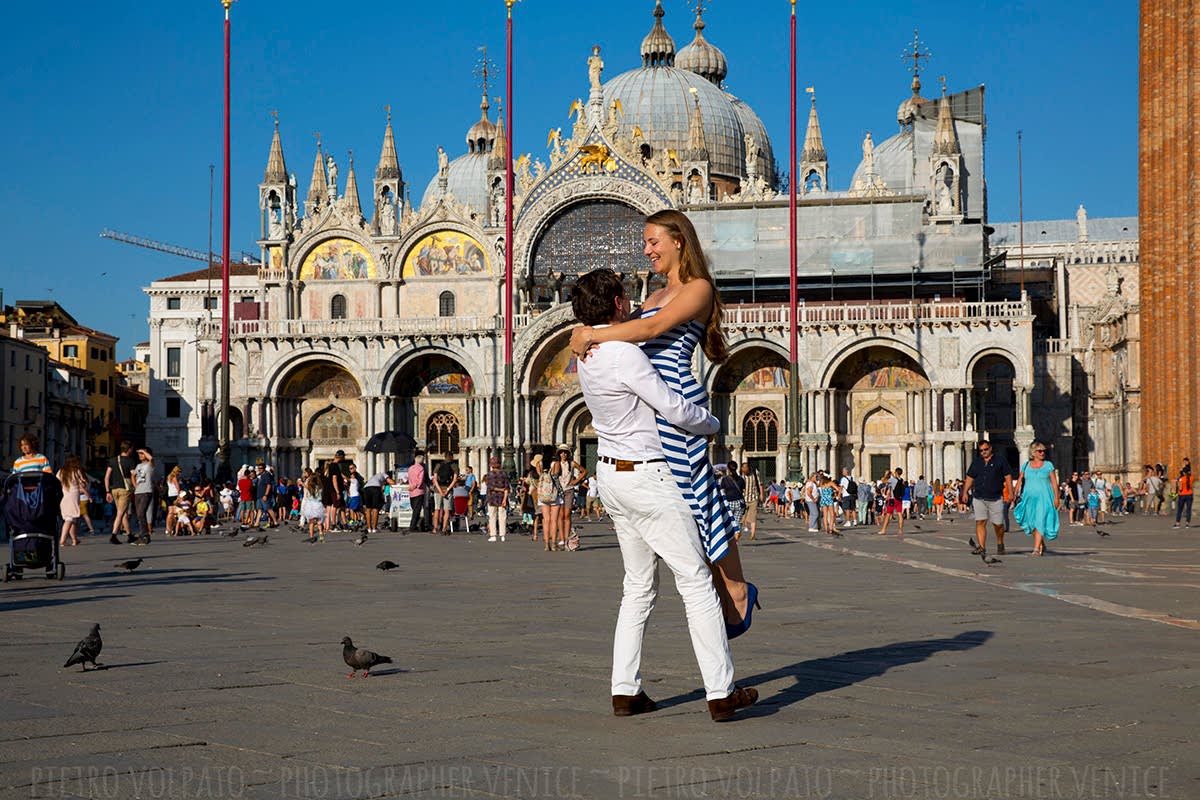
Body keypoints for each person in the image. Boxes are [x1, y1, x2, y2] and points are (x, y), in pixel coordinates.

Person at [572, 267, 756, 722]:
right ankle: (720, 692)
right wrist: (712, 425)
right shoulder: (625, 355)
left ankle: (625, 690)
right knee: (695, 581)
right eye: (625, 300)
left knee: (637, 587)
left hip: (611, 478)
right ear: (617, 304)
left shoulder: (588, 356)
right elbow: (671, 406)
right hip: (648, 479)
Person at [1013, 441, 1061, 556]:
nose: (1042, 453)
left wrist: (1056, 498)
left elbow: (1054, 483)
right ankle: (1041, 544)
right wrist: (1015, 493)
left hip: (1044, 498)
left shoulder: (1048, 465)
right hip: (1028, 498)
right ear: (1033, 453)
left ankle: (1035, 549)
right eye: (1040, 451)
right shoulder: (1026, 465)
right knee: (1031, 523)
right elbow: (1020, 479)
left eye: (1044, 451)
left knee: (1039, 520)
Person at [104, 440, 138, 545]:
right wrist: (136, 487)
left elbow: (106, 477)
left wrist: (107, 491)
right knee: (120, 513)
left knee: (122, 513)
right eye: (131, 449)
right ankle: (114, 535)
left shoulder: (113, 460)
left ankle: (130, 535)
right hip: (125, 490)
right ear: (129, 449)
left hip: (114, 489)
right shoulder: (131, 461)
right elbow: (133, 476)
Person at [56, 455, 87, 547]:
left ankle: (74, 539)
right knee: (70, 519)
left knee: (70, 518)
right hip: (73, 495)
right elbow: (83, 483)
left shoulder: (61, 471)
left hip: (63, 496)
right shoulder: (76, 471)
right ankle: (62, 539)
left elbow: (56, 482)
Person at [536, 455, 563, 551]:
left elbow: (539, 476)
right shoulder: (556, 463)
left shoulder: (539, 463)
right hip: (554, 494)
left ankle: (546, 544)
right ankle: (554, 544)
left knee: (546, 520)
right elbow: (556, 475)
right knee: (554, 520)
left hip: (543, 494)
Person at [131, 447, 156, 544]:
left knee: (141, 513)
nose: (140, 455)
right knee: (139, 514)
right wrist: (135, 485)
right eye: (139, 454)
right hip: (138, 491)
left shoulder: (150, 465)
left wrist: (144, 451)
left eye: (142, 454)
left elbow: (151, 459)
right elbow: (133, 475)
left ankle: (144, 535)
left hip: (146, 491)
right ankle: (143, 535)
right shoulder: (138, 466)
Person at [484, 456, 511, 542]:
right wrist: (504, 498)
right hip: (502, 497)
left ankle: (493, 535)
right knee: (502, 516)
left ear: (491, 465)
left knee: (492, 517)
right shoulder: (504, 474)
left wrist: (498, 489)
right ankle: (503, 535)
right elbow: (507, 488)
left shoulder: (489, 474)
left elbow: (490, 487)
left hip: (492, 498)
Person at [431, 455, 458, 535]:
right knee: (447, 510)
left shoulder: (438, 465)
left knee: (437, 509)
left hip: (437, 490)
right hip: (448, 489)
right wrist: (447, 490)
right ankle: (444, 529)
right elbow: (455, 480)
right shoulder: (454, 466)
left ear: (444, 457)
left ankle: (435, 529)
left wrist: (440, 490)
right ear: (451, 457)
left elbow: (435, 480)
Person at [877, 468, 907, 536]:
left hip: (893, 499)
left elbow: (883, 481)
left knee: (888, 514)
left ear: (896, 472)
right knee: (900, 514)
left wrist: (886, 474)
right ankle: (900, 530)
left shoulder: (893, 480)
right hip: (899, 499)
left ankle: (883, 530)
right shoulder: (902, 480)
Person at [720, 461, 746, 538]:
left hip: (729, 502)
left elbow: (723, 492)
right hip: (739, 502)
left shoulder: (725, 479)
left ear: (728, 468)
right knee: (737, 522)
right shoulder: (741, 479)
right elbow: (743, 491)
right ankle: (736, 539)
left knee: (728, 522)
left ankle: (730, 539)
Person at [407, 453, 429, 533]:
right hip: (418, 491)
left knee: (414, 509)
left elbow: (408, 478)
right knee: (417, 510)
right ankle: (412, 526)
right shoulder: (421, 468)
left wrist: (411, 486)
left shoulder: (410, 468)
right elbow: (420, 481)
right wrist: (416, 486)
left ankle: (415, 525)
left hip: (411, 492)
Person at [302, 471, 326, 543]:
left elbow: (306, 486)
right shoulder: (320, 488)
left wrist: (302, 483)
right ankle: (321, 533)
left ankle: (311, 536)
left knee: (311, 522)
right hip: (318, 505)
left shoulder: (310, 488)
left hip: (310, 506)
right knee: (319, 522)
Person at [739, 463, 762, 540]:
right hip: (743, 499)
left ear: (749, 468)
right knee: (741, 518)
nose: (745, 470)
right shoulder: (740, 476)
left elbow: (760, 484)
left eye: (746, 468)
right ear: (741, 469)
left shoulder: (755, 475)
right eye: (743, 468)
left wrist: (761, 494)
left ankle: (752, 535)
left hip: (753, 498)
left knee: (753, 517)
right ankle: (739, 533)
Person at [1173, 459, 1193, 529]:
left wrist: (1178, 486)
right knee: (1188, 509)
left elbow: (1180, 488)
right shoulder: (1191, 478)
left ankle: (1177, 523)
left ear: (1184, 472)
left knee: (1180, 509)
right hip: (1190, 494)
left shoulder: (1181, 479)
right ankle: (1187, 524)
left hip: (1182, 495)